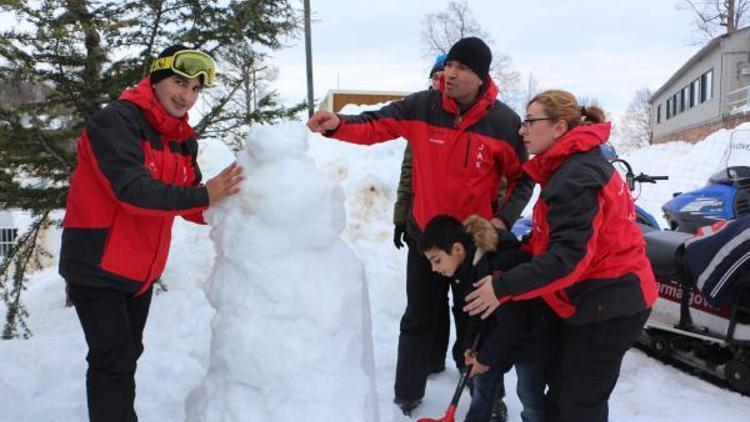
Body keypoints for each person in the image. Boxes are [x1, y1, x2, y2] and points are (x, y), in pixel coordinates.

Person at [307, 37, 534, 415]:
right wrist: (338, 125)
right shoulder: (422, 106)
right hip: (426, 239)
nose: (450, 73)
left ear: (480, 77)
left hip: (471, 245)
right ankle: (408, 391)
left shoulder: (503, 123)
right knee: (418, 317)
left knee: (474, 323)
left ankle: (485, 396)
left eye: (461, 68)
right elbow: (375, 123)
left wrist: (501, 220)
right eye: (449, 66)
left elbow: (523, 178)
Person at [59, 45, 243, 422]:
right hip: (96, 264)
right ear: (156, 79)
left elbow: (189, 202)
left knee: (126, 355)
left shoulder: (180, 138)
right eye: (178, 83)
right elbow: (132, 191)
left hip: (139, 271)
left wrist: (238, 211)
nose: (186, 96)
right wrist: (206, 193)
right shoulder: (116, 123)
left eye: (195, 89)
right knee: (113, 360)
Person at [463, 89, 657, 422]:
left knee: (578, 404)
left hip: (609, 305)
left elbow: (568, 260)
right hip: (593, 298)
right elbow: (549, 244)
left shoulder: (576, 177)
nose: (521, 130)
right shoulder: (570, 167)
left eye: (529, 122)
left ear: (559, 128)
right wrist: (503, 252)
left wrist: (502, 287)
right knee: (563, 394)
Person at [419, 215, 557, 422]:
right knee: (482, 384)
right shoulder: (465, 269)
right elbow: (476, 312)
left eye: (436, 260)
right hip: (500, 335)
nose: (434, 269)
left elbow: (513, 322)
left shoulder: (500, 263)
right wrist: (470, 347)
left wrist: (485, 358)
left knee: (529, 395)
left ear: (457, 249)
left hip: (532, 336)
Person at [392, 53, 449, 381]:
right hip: (423, 228)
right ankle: (430, 360)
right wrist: (402, 217)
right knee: (426, 302)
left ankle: (476, 377)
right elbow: (408, 173)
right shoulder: (422, 120)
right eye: (436, 76)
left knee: (465, 307)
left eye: (446, 75)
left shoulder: (476, 121)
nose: (441, 82)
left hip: (464, 232)